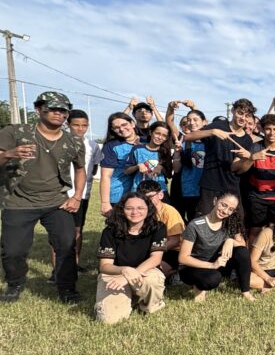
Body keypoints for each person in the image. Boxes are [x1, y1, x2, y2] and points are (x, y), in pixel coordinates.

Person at [0, 91, 86, 303]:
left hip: (56, 201)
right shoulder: (15, 132)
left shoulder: (74, 141)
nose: (59, 113)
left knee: (67, 244)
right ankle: (15, 285)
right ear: (38, 110)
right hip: (18, 201)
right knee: (13, 250)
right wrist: (9, 154)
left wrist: (77, 196)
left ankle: (67, 289)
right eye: (52, 109)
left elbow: (80, 169)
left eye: (63, 110)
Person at [93, 191, 167, 323]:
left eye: (140, 208)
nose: (135, 212)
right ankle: (128, 299)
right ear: (122, 210)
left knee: (152, 280)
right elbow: (104, 266)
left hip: (145, 271)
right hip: (115, 274)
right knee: (109, 320)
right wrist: (124, 270)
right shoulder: (110, 231)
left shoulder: (158, 228)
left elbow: (156, 259)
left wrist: (129, 276)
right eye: (129, 208)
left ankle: (150, 304)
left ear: (148, 209)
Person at [181, 98, 257, 215]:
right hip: (210, 184)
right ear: (232, 111)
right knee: (205, 220)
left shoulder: (247, 140)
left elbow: (234, 168)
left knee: (235, 222)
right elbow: (188, 137)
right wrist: (212, 132)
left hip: (231, 186)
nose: (243, 118)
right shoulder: (219, 125)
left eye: (247, 116)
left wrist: (248, 158)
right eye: (240, 113)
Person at [231, 113, 275, 241]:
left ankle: (270, 254)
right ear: (262, 130)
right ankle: (252, 254)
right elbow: (240, 171)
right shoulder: (255, 147)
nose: (272, 133)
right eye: (268, 129)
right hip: (257, 197)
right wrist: (252, 158)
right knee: (256, 230)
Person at [178, 193, 254, 302]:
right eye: (224, 205)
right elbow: (183, 258)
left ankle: (246, 292)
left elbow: (242, 246)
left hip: (216, 262)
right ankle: (198, 286)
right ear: (215, 201)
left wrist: (230, 240)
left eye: (231, 209)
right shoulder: (195, 225)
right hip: (193, 267)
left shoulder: (230, 222)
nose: (225, 211)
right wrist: (211, 265)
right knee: (212, 279)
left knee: (242, 252)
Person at [62, 109, 101, 272]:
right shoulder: (60, 142)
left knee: (78, 229)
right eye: (76, 125)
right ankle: (58, 268)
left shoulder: (93, 146)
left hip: (82, 194)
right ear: (68, 124)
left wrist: (85, 183)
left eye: (84, 125)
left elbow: (94, 167)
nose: (80, 128)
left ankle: (75, 263)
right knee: (60, 231)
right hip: (61, 193)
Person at [138, 179, 185, 278]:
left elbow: (175, 241)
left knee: (152, 272)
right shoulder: (139, 212)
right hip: (149, 249)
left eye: (150, 197)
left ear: (160, 195)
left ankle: (176, 272)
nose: (146, 200)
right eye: (142, 198)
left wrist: (153, 251)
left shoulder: (169, 212)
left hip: (171, 251)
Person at [99, 112, 139, 216]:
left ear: (133, 123)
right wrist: (105, 203)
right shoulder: (111, 146)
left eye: (124, 124)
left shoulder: (147, 142)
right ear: (112, 130)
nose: (121, 129)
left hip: (141, 195)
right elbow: (105, 176)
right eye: (116, 127)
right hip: (118, 196)